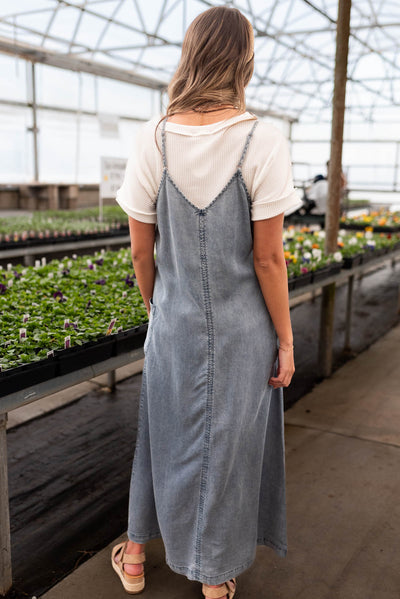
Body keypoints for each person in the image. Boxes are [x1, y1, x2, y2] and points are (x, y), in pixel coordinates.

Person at [112, 6, 299, 599]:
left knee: (159, 432)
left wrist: (157, 310)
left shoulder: (153, 137)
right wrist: (285, 338)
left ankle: (136, 555)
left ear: (190, 54)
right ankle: (216, 577)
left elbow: (143, 253)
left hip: (175, 323)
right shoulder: (263, 140)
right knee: (234, 444)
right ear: (244, 60)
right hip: (247, 330)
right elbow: (269, 259)